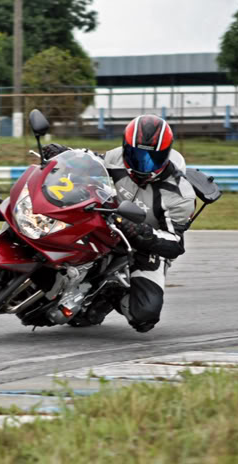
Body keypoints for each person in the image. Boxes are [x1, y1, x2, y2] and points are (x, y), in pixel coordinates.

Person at [42, 115, 196, 332]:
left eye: (152, 158)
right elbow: (89, 160)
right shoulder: (117, 157)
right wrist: (63, 152)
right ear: (126, 147)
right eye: (135, 154)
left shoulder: (179, 194)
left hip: (144, 246)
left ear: (166, 154)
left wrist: (142, 233)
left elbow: (175, 243)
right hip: (105, 221)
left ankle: (110, 295)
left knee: (144, 317)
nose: (143, 164)